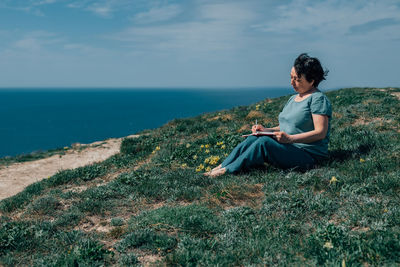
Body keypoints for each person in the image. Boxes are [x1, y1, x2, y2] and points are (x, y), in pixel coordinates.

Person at [205, 53, 332, 177]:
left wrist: (291, 139)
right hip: (290, 147)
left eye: (297, 80)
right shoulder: (293, 98)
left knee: (264, 143)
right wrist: (266, 130)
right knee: (254, 138)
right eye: (291, 77)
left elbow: (320, 132)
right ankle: (223, 165)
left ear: (312, 81)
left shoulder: (318, 99)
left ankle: (227, 171)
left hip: (308, 155)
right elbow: (287, 127)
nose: (292, 83)